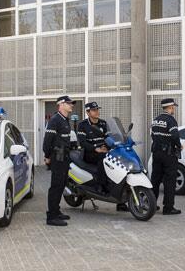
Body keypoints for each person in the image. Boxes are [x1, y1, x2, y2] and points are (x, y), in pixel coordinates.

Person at [77, 102, 128, 212]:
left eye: (97, 109)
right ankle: (99, 186)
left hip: (104, 150)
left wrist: (111, 144)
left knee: (120, 161)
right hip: (90, 153)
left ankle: (121, 201)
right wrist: (96, 148)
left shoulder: (103, 123)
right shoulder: (83, 125)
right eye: (94, 110)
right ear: (88, 112)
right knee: (103, 159)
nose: (97, 111)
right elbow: (82, 143)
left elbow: (109, 137)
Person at [42, 95, 75, 226]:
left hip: (64, 156)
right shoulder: (55, 120)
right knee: (56, 186)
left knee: (61, 184)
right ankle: (51, 216)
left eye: (71, 103)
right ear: (61, 104)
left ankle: (56, 211)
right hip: (57, 156)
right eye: (69, 103)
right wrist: (47, 156)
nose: (71, 105)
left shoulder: (65, 119)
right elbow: (47, 140)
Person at [151, 98, 182, 215]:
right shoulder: (171, 120)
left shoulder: (155, 120)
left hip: (156, 153)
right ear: (170, 107)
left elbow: (152, 135)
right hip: (168, 154)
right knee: (170, 181)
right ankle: (168, 208)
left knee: (155, 180)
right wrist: (178, 146)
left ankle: (151, 205)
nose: (174, 109)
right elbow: (174, 136)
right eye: (173, 107)